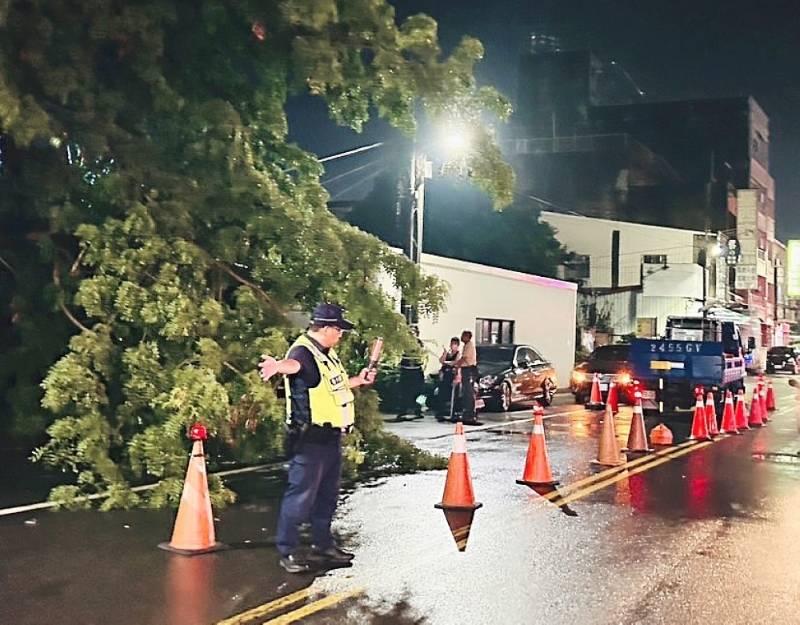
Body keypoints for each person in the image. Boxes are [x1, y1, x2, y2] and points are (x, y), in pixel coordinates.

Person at [259, 303, 376, 574]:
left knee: (327, 497)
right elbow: (293, 366)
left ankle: (323, 546)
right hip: (310, 438)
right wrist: (278, 366)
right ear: (326, 328)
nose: (341, 335)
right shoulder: (303, 351)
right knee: (300, 497)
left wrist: (358, 380)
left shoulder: (327, 355)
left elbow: (333, 387)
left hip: (330, 437)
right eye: (339, 329)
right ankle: (287, 551)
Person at [397, 327, 425, 420]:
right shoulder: (404, 343)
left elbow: (421, 355)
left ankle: (418, 410)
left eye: (414, 332)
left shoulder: (419, 343)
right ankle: (402, 411)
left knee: (419, 392)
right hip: (406, 370)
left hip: (416, 370)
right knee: (404, 391)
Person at [453, 330, 479, 425]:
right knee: (465, 390)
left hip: (469, 369)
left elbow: (464, 358)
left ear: (468, 337)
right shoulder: (466, 346)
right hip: (466, 369)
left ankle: (470, 413)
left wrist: (457, 365)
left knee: (468, 391)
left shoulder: (469, 346)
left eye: (463, 336)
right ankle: (466, 412)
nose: (462, 337)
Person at [435, 337, 461, 419]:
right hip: (445, 376)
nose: (453, 346)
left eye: (455, 344)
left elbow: (455, 362)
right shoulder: (448, 353)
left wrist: (447, 363)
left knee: (453, 395)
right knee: (442, 393)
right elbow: (441, 360)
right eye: (452, 344)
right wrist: (445, 353)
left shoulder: (458, 354)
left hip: (452, 375)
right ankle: (441, 411)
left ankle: (453, 412)